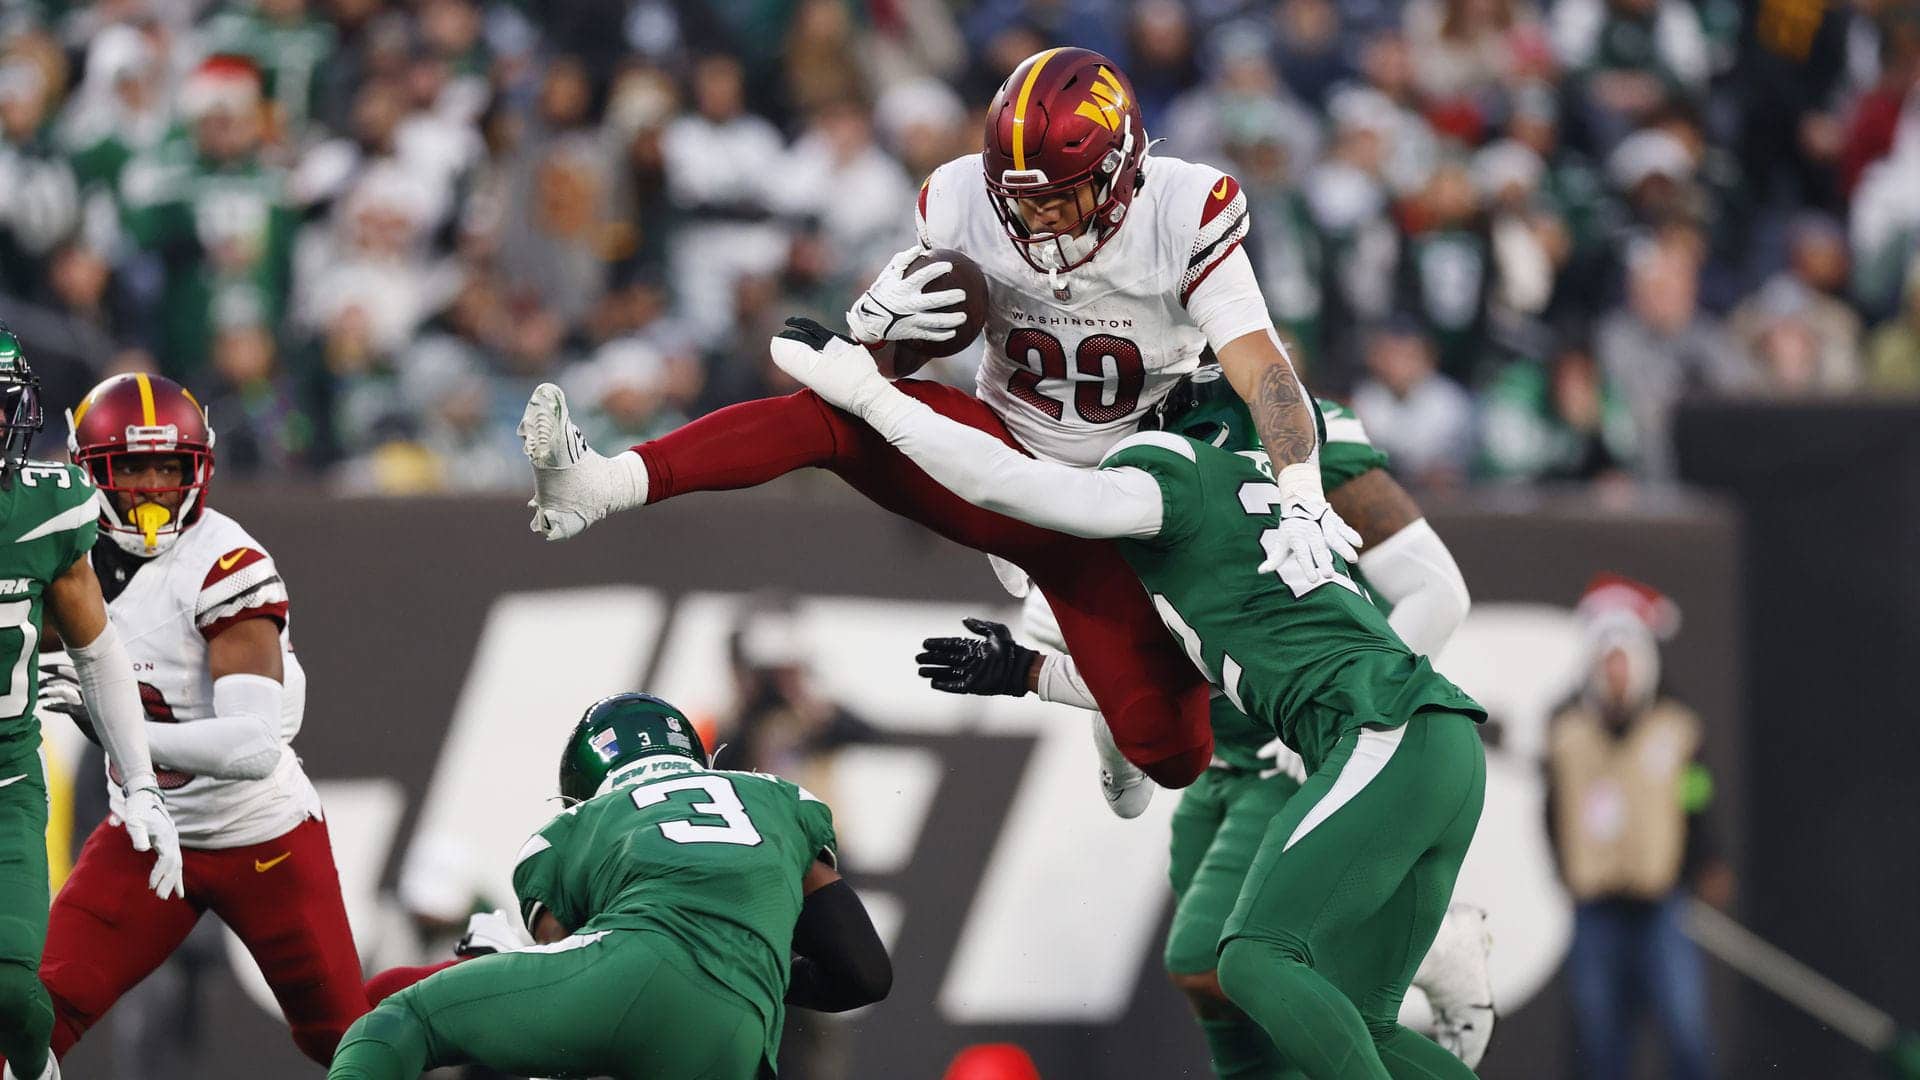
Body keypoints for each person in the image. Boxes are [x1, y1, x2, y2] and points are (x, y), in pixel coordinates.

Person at [523, 46, 1351, 793]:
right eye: (1019, 200)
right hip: (994, 462)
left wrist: (1305, 487)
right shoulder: (961, 201)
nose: (1037, 220)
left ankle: (1062, 674)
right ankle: (605, 481)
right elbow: (881, 370)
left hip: (1128, 508)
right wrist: (881, 331)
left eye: (1061, 198)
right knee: (834, 413)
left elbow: (1264, 371)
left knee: (1170, 755)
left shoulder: (1184, 211)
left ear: (1124, 168)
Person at [769, 316, 1487, 1080]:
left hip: (1381, 731)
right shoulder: (1243, 505)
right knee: (1362, 1022)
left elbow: (1003, 482)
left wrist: (869, 395)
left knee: (1252, 962)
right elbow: (1165, 685)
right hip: (1437, 740)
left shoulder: (1170, 472)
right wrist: (1029, 674)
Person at [27, 372, 364, 1068]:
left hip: (257, 832)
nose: (153, 487)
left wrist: (120, 730)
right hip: (151, 831)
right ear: (90, 473)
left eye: (169, 467)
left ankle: (480, 982)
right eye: (132, 468)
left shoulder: (224, 564)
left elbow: (253, 746)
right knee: (33, 1017)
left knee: (343, 1037)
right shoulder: (63, 550)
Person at [328, 692, 892, 1079]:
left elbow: (570, 983)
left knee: (401, 1021)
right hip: (737, 1032)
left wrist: (508, 962)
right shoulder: (779, 800)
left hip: (626, 975)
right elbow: (866, 972)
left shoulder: (570, 830)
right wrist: (752, 967)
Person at [0, 330, 180, 1080]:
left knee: (10, 989)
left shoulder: (41, 512)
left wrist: (138, 781)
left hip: (3, 785)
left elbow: (98, 651)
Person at [1548, 575, 1728, 1080]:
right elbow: (1550, 810)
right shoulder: (1567, 734)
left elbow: (1696, 800)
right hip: (1596, 907)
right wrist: (1565, 869)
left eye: (1625, 660)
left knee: (1684, 1026)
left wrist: (1707, 860)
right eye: (1608, 661)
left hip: (1660, 902)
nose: (1617, 673)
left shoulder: (1676, 730)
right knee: (1599, 1036)